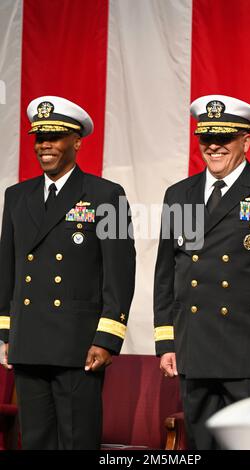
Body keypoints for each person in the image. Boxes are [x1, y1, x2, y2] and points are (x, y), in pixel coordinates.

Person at [153, 94, 250, 450]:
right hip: (195, 350)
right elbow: (167, 273)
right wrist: (167, 341)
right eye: (207, 138)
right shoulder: (179, 195)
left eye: (225, 138)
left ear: (246, 140)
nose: (214, 147)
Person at [0, 95, 136, 450]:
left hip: (79, 346)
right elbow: (7, 269)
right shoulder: (16, 196)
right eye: (39, 137)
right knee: (35, 441)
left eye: (55, 136)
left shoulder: (107, 195)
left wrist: (107, 338)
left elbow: (120, 272)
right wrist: (5, 332)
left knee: (77, 440)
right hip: (28, 340)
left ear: (76, 141)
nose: (44, 144)